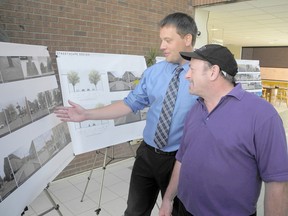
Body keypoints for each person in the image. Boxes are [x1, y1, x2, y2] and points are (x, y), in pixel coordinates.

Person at [54, 12, 199, 216]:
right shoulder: (153, 73)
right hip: (147, 155)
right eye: (161, 40)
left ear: (187, 39)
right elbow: (129, 104)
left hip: (179, 161)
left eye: (168, 40)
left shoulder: (203, 77)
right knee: (134, 211)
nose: (161, 47)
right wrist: (87, 114)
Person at [159, 44, 288, 216]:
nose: (187, 76)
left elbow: (277, 183)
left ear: (213, 72)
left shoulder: (262, 115)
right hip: (184, 209)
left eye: (192, 69)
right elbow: (182, 159)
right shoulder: (195, 109)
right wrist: (168, 199)